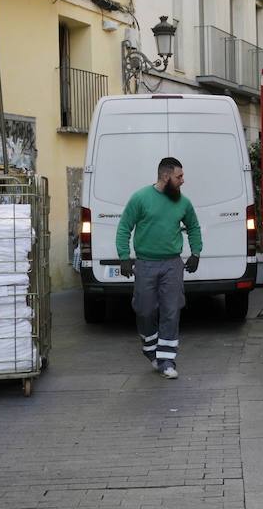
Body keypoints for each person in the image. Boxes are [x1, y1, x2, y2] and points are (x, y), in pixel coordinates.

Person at [116, 157, 202, 380]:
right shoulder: (141, 198)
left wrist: (196, 253)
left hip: (172, 264)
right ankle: (150, 349)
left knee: (171, 310)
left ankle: (167, 361)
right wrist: (124, 257)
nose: (183, 180)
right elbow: (124, 227)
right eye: (179, 176)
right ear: (166, 176)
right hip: (145, 264)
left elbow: (193, 227)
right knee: (145, 310)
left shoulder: (183, 202)